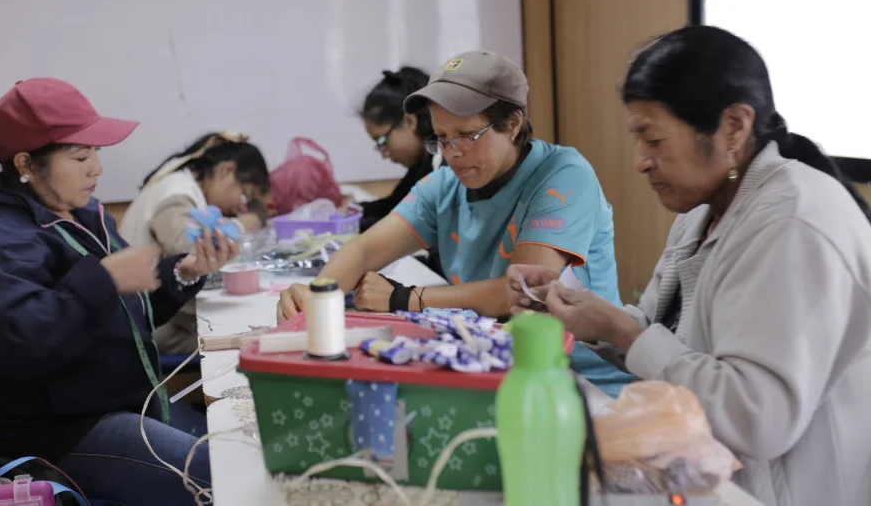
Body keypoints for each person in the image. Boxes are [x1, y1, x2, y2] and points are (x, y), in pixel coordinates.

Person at [508, 26, 871, 506]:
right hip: (708, 475)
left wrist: (623, 332)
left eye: (653, 140)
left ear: (734, 128)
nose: (640, 161)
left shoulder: (794, 222)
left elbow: (756, 418)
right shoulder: (705, 207)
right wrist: (582, 311)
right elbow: (669, 334)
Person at [0, 78, 235, 505]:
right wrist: (106, 279)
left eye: (96, 152)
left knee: (237, 453)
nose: (96, 168)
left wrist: (184, 272)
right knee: (219, 479)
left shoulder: (84, 214)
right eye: (80, 156)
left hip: (111, 402)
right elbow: (16, 343)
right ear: (25, 163)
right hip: (50, 433)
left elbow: (124, 313)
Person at [279, 51, 633, 398]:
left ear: (512, 123)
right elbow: (366, 248)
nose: (452, 153)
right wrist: (317, 295)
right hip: (491, 368)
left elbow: (523, 292)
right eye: (442, 138)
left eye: (466, 135)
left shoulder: (563, 176)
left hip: (575, 380)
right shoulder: (446, 185)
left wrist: (405, 298)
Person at [120, 131, 270, 354]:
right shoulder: (175, 192)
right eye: (244, 194)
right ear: (226, 170)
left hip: (154, 309)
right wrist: (242, 224)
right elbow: (186, 249)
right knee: (244, 340)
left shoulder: (189, 189)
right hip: (145, 324)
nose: (241, 206)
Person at [358, 67, 444, 278]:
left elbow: (404, 222)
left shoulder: (440, 164)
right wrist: (352, 211)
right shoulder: (421, 164)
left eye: (382, 141)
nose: (384, 154)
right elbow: (394, 205)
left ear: (409, 121)